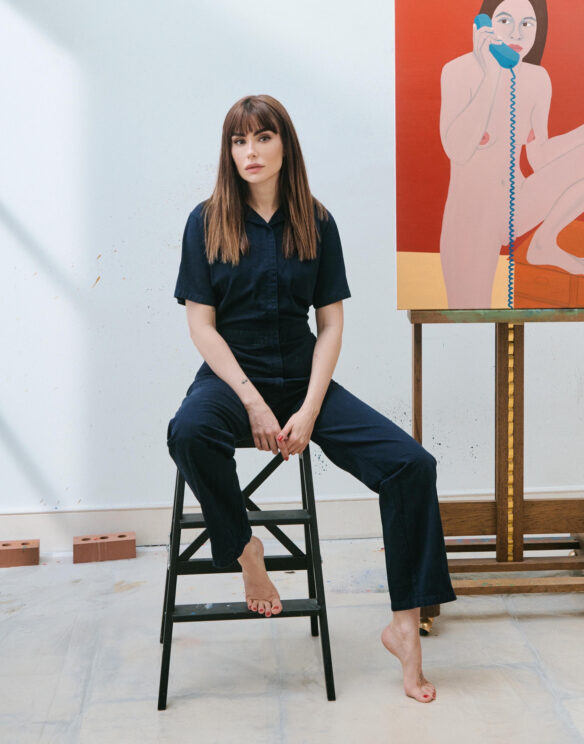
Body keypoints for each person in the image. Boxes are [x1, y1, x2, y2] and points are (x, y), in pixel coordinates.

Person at [167, 94, 456, 703]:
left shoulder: (316, 221)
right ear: (229, 152)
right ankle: (245, 549)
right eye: (239, 141)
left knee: (411, 465)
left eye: (262, 138)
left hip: (303, 378)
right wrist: (253, 402)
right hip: (230, 379)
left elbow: (330, 325)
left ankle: (405, 628)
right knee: (188, 431)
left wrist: (310, 408)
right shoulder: (205, 220)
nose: (250, 151)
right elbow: (201, 326)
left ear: (284, 145)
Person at [439, 0, 584, 309]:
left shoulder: (538, 79)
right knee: (470, 311)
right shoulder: (457, 72)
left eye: (527, 24)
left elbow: (539, 156)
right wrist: (491, 74)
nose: (517, 33)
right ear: (484, 26)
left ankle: (544, 243)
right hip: (472, 216)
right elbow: (458, 149)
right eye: (504, 20)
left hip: (517, 202)